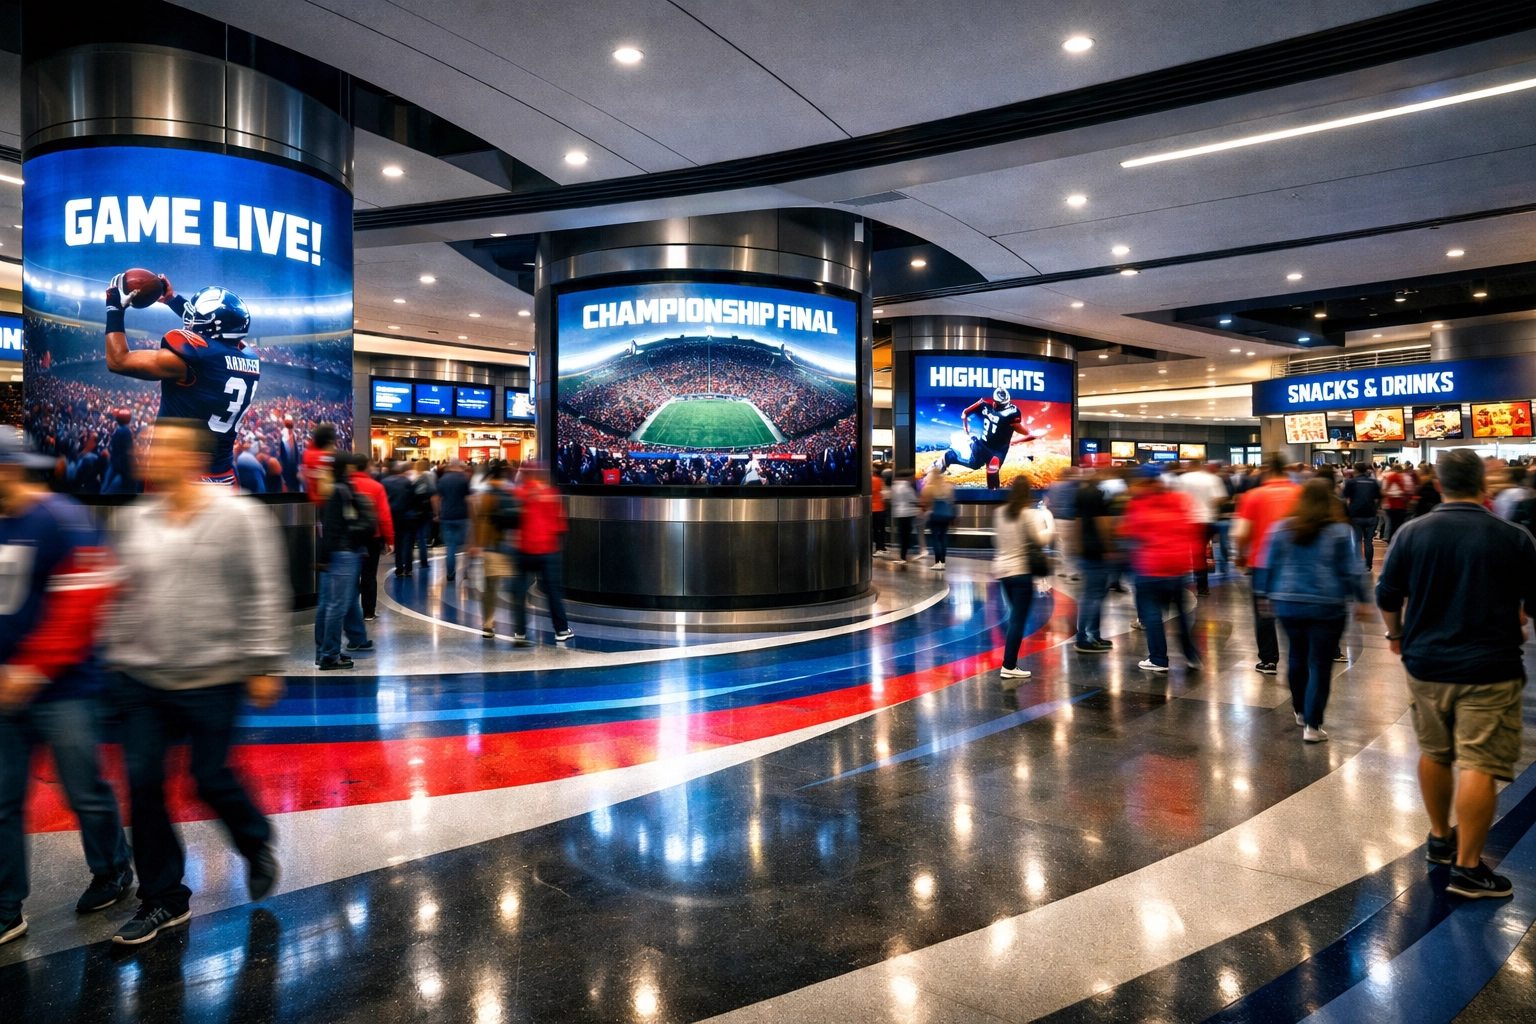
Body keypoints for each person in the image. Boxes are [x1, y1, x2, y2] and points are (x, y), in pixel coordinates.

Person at [103, 418, 289, 945]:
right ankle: (163, 898)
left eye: (165, 447)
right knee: (143, 784)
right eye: (151, 445)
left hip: (214, 674)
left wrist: (263, 662)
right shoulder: (138, 520)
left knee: (209, 777)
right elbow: (123, 593)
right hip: (145, 678)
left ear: (191, 457)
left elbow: (263, 589)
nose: (152, 453)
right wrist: (116, 656)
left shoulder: (237, 519)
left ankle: (254, 842)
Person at [1377, 448, 1536, 899]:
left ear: (1440, 485)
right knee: (1479, 763)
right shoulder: (1514, 537)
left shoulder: (1411, 533)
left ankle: (1439, 837)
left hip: (1426, 664)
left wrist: (1396, 636)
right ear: (1484, 487)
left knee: (1435, 751)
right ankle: (1468, 869)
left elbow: (1387, 595)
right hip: (1491, 666)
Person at [0, 433, 132, 947]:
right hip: (7, 689)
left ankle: (113, 868)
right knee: (4, 801)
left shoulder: (60, 517)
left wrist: (31, 669)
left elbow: (85, 597)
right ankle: (7, 906)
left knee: (85, 791)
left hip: (65, 689)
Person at [103, 272, 258, 486]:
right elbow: (214, 332)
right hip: (224, 476)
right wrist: (172, 300)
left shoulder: (191, 359)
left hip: (179, 480)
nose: (189, 321)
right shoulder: (248, 356)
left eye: (195, 317)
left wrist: (114, 309)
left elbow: (118, 360)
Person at [1254, 479, 1372, 743]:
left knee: (1296, 655)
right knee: (1320, 663)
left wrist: (1263, 594)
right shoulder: (1339, 532)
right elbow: (1352, 570)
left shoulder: (1281, 528)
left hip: (1288, 602)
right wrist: (1362, 599)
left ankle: (1299, 710)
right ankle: (1313, 725)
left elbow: (1266, 564)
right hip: (1327, 604)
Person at [1119, 463, 1205, 673]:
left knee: (1152, 615)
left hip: (1149, 568)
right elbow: (1192, 531)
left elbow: (1127, 532)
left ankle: (1158, 659)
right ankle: (1191, 655)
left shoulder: (1138, 504)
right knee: (1182, 616)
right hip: (1177, 568)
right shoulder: (1179, 500)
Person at [1233, 455, 1301, 675]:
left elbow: (1242, 532)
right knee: (1296, 609)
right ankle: (1299, 656)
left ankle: (1269, 660)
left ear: (1267, 470)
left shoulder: (1254, 496)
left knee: (1264, 613)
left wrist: (1241, 555)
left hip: (1262, 562)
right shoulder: (1301, 493)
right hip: (1296, 561)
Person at [992, 478, 1053, 689]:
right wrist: (1050, 527)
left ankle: (1010, 663)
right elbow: (1039, 541)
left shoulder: (1000, 512)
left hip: (1003, 572)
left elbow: (998, 540)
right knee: (1018, 619)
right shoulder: (1027, 514)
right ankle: (1009, 665)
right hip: (1021, 573)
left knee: (1014, 617)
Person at [315, 452, 373, 669]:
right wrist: (324, 557)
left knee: (331, 605)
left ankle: (324, 652)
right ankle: (329, 655)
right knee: (336, 607)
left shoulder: (332, 488)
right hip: (343, 553)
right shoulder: (340, 490)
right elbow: (333, 527)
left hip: (337, 552)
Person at [511, 463, 573, 645]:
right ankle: (561, 629)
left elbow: (514, 520)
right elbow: (561, 525)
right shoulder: (551, 495)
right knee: (553, 592)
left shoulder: (520, 493)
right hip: (548, 550)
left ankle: (520, 631)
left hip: (524, 549)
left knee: (520, 591)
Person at [471, 464, 520, 639]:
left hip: (492, 547)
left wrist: (477, 544)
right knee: (515, 588)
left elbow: (481, 521)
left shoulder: (486, 496)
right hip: (512, 547)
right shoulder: (512, 494)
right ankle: (518, 627)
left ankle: (488, 623)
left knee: (490, 588)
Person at [1073, 468, 1116, 653]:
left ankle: (1093, 635)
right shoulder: (1098, 494)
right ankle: (1085, 638)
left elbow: (1077, 522)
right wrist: (1108, 547)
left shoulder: (1080, 493)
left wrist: (1077, 545)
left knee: (1092, 595)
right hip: (1097, 549)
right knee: (1093, 596)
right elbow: (1102, 522)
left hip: (1085, 548)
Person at [349, 457, 394, 621]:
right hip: (372, 536)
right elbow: (384, 516)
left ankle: (351, 612)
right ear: (367, 467)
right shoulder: (376, 487)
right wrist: (389, 539)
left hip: (349, 537)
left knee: (351, 575)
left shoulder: (344, 486)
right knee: (369, 574)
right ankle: (368, 612)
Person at [1175, 460, 1226, 595]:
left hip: (1186, 521)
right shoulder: (1213, 478)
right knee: (1201, 554)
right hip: (1205, 520)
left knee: (1182, 553)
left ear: (1190, 466)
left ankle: (1178, 586)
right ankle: (1202, 586)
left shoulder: (1182, 479)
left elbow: (1175, 499)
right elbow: (1219, 498)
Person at [1341, 463, 1382, 570]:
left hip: (1356, 514)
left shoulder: (1351, 482)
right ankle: (1368, 565)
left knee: (1357, 541)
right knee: (1368, 542)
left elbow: (1346, 498)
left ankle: (1358, 563)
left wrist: (1348, 512)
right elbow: (1379, 497)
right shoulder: (1373, 482)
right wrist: (1375, 508)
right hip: (1371, 515)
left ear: (1355, 470)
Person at [436, 460, 471, 583]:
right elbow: (469, 498)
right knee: (466, 545)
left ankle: (450, 574)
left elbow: (436, 497)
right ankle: (466, 571)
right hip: (462, 516)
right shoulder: (464, 479)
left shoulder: (443, 479)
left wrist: (437, 514)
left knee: (450, 546)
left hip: (447, 516)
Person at [383, 462, 416, 578]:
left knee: (396, 542)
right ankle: (408, 568)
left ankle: (399, 569)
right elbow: (413, 498)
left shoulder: (385, 482)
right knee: (407, 543)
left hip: (392, 516)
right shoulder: (407, 482)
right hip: (407, 515)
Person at [919, 467, 956, 571]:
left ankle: (937, 562)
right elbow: (952, 502)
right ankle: (943, 562)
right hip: (946, 515)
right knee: (943, 538)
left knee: (935, 539)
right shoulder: (948, 487)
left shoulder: (929, 488)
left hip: (935, 516)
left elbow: (926, 503)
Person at [410, 459, 438, 572]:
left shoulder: (412, 478)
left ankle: (409, 562)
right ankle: (424, 561)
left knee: (411, 538)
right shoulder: (431, 478)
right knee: (423, 537)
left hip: (414, 512)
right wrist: (436, 513)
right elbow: (434, 496)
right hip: (427, 512)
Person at [302, 423, 337, 501]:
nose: (334, 447)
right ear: (329, 442)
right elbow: (327, 490)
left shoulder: (307, 454)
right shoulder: (326, 458)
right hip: (327, 505)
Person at [890, 470, 918, 564]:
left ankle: (903, 555)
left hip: (898, 513)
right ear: (908, 477)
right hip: (907, 513)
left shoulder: (894, 486)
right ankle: (903, 556)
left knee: (902, 535)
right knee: (906, 535)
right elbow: (913, 500)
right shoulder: (907, 487)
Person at [1381, 462, 1412, 540]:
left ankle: (1390, 540)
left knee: (1391, 523)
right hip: (1401, 504)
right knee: (1398, 524)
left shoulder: (1388, 476)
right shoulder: (1404, 477)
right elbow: (1408, 490)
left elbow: (1384, 491)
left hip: (1390, 504)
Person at [871, 467, 888, 556]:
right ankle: (881, 547)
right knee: (880, 529)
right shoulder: (880, 480)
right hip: (881, 508)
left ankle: (875, 547)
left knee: (873, 530)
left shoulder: (870, 480)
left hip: (872, 509)